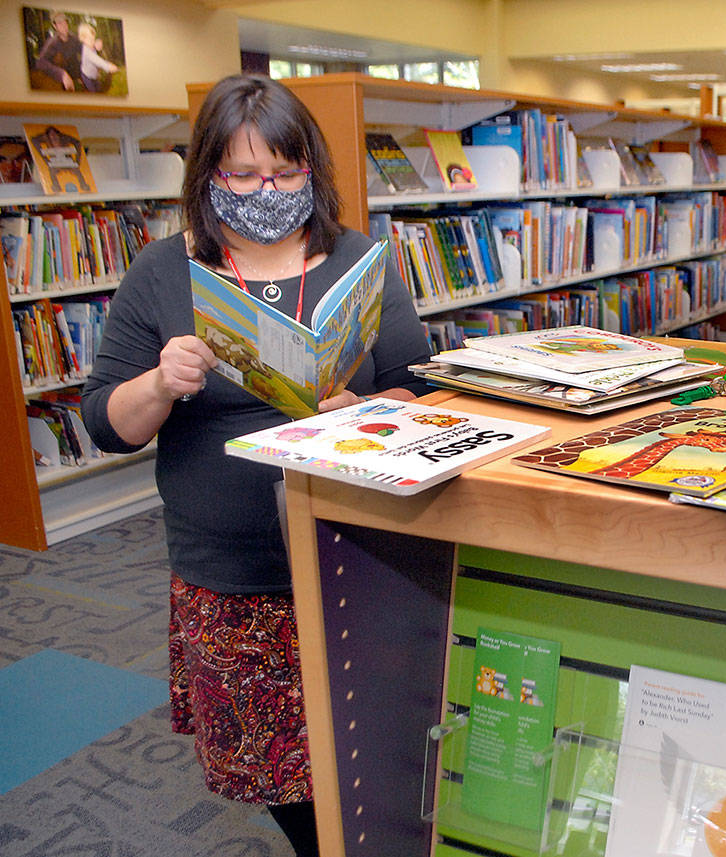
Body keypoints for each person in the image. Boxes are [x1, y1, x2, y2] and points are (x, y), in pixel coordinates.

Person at [82, 74, 433, 857]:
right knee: (274, 771)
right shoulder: (162, 272)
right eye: (243, 174)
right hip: (233, 581)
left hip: (359, 555)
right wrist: (158, 382)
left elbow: (419, 381)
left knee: (374, 742)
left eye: (284, 171)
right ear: (208, 177)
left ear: (313, 169)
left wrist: (372, 410)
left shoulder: (358, 258)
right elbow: (107, 424)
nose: (265, 190)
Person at [33, 11, 80, 91]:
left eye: (65, 22)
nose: (64, 26)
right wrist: (62, 74)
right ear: (55, 26)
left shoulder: (74, 39)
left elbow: (83, 50)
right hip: (59, 81)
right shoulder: (52, 43)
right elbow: (40, 63)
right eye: (60, 23)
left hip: (76, 78)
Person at [77, 21, 118, 93]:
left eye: (93, 39)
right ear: (82, 39)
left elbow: (96, 45)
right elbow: (97, 60)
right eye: (90, 39)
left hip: (94, 74)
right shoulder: (87, 51)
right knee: (93, 92)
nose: (92, 41)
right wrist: (108, 66)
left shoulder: (90, 44)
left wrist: (97, 44)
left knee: (99, 88)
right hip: (87, 76)